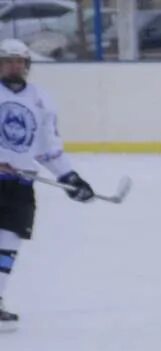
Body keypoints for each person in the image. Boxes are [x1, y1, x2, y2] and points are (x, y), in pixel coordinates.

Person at [0, 38, 94, 332]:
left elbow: (47, 149)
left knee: (8, 243)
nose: (15, 66)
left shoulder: (41, 100)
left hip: (20, 184)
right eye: (8, 60)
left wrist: (70, 178)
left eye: (20, 61)